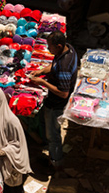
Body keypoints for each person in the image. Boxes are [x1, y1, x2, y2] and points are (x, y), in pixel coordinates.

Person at [27, 31, 79, 173]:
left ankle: (56, 164)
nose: (48, 50)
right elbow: (54, 64)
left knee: (53, 135)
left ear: (59, 45)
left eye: (50, 47)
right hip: (53, 100)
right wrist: (42, 71)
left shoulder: (64, 65)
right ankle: (48, 150)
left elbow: (63, 93)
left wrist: (43, 82)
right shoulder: (68, 49)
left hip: (57, 104)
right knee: (49, 128)